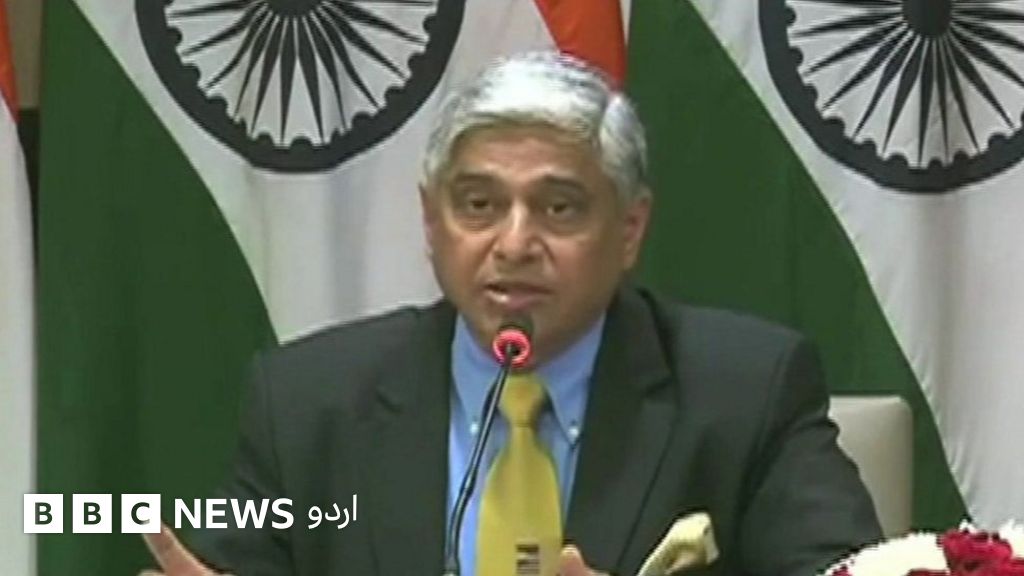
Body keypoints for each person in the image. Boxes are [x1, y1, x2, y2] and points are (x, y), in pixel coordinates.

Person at [140, 52, 882, 576]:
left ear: (629, 230)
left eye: (559, 208)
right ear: (432, 223)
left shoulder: (747, 394)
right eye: (479, 205)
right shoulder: (309, 404)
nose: (515, 243)